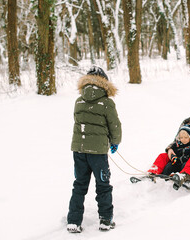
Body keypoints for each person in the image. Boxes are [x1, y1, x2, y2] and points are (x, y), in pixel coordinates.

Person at [67, 66, 122, 233]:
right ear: (104, 83)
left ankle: (74, 221)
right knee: (103, 184)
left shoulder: (79, 101)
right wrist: (115, 141)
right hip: (98, 153)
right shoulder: (106, 103)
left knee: (79, 185)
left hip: (79, 150)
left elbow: (78, 121)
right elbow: (114, 125)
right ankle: (105, 219)